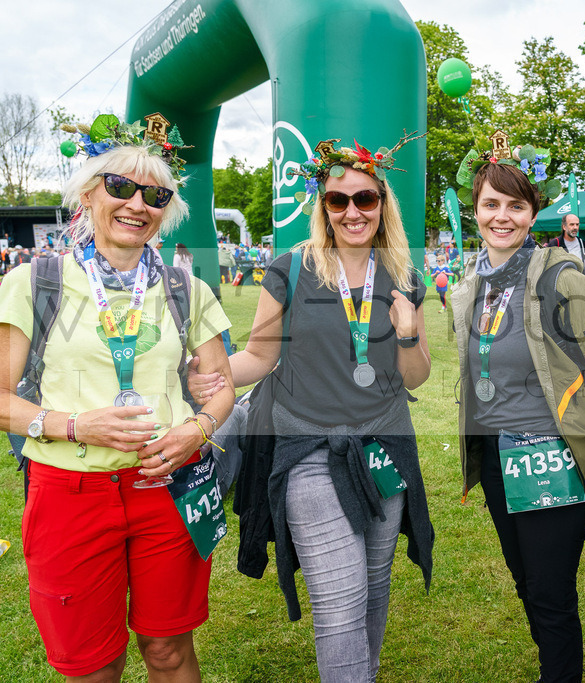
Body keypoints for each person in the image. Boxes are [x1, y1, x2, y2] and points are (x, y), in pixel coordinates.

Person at [190, 132, 434, 681]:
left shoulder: (404, 276)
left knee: (374, 585)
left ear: (382, 204)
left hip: (385, 445)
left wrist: (410, 333)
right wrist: (211, 372)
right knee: (339, 603)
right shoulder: (291, 268)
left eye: (365, 199)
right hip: (308, 448)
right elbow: (259, 355)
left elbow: (415, 375)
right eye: (338, 200)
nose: (352, 211)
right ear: (323, 207)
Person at [0, 115, 235, 681]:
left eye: (155, 194)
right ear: (88, 194)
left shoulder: (187, 287)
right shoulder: (35, 282)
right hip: (69, 493)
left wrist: (195, 430)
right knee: (93, 666)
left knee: (168, 650)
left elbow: (222, 386)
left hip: (166, 487)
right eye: (120, 186)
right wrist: (76, 425)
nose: (137, 204)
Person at [451, 137, 585, 682]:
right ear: (475, 211)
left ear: (533, 213)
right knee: (525, 579)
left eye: (515, 205)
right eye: (491, 204)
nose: (503, 216)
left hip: (551, 454)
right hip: (497, 458)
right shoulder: (471, 287)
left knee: (550, 591)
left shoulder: (561, 277)